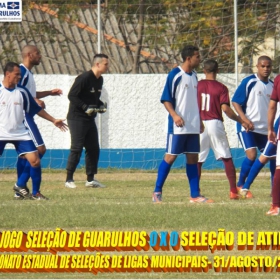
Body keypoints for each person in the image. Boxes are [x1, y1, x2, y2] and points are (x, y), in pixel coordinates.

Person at [152, 45, 213, 203]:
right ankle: (157, 191)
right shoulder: (175, 74)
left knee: (193, 158)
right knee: (170, 157)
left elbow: (194, 101)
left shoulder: (193, 75)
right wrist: (174, 116)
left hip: (192, 126)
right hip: (178, 126)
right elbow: (166, 99)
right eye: (197, 57)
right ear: (188, 58)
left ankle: (195, 195)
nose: (199, 60)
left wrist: (199, 120)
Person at [0, 62, 67, 200]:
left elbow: (36, 110)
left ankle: (35, 193)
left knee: (35, 160)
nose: (19, 77)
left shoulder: (22, 91)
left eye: (19, 74)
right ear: (8, 74)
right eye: (17, 74)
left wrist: (53, 120)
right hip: (1, 133)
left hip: (20, 133)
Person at [15, 45, 63, 199]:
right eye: (38, 53)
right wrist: (34, 100)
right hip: (23, 116)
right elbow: (17, 90)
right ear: (29, 55)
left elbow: (30, 94)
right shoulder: (21, 71)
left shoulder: (29, 73)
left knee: (24, 156)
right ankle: (23, 185)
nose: (40, 56)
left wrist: (49, 93)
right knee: (40, 150)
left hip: (27, 116)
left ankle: (21, 191)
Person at [197, 59, 249, 200]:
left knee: (197, 159)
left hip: (199, 124)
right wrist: (240, 120)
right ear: (218, 71)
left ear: (204, 71)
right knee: (226, 157)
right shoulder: (221, 87)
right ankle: (233, 191)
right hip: (215, 123)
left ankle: (195, 191)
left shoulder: (197, 85)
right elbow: (225, 109)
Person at [64, 54, 109, 189]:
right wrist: (85, 107)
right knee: (77, 148)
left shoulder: (99, 79)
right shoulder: (84, 78)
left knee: (93, 148)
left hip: (89, 118)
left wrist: (100, 105)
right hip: (76, 117)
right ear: (97, 64)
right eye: (106, 64)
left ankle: (90, 179)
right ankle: (69, 179)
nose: (108, 67)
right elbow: (72, 95)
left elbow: (94, 98)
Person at [232, 56, 273, 199]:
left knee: (273, 157)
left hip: (264, 130)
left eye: (268, 66)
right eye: (263, 66)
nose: (265, 69)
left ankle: (275, 190)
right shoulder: (249, 81)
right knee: (251, 155)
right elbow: (235, 102)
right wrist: (244, 119)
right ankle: (241, 185)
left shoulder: (273, 86)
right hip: (247, 127)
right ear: (257, 66)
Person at [267, 74, 280, 215]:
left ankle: (276, 206)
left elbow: (272, 106)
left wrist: (270, 129)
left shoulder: (278, 79)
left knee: (279, 167)